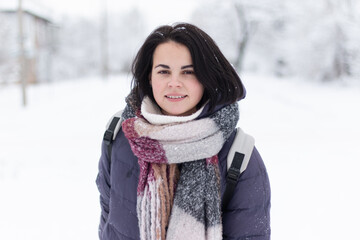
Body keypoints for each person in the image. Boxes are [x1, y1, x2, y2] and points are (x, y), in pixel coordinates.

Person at [96, 23, 271, 240]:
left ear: (207, 78)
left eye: (188, 72)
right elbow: (108, 219)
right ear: (150, 77)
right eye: (163, 71)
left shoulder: (239, 156)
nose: (174, 83)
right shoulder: (120, 137)